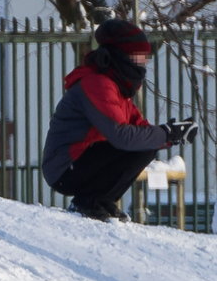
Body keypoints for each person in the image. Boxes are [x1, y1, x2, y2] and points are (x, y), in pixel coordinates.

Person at [41, 18, 197, 222]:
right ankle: (89, 201)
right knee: (138, 145)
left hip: (79, 162)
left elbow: (140, 130)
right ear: (120, 57)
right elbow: (122, 136)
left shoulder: (116, 89)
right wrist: (165, 133)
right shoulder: (97, 84)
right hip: (64, 168)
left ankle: (100, 200)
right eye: (137, 58)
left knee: (145, 145)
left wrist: (170, 135)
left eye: (144, 59)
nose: (143, 64)